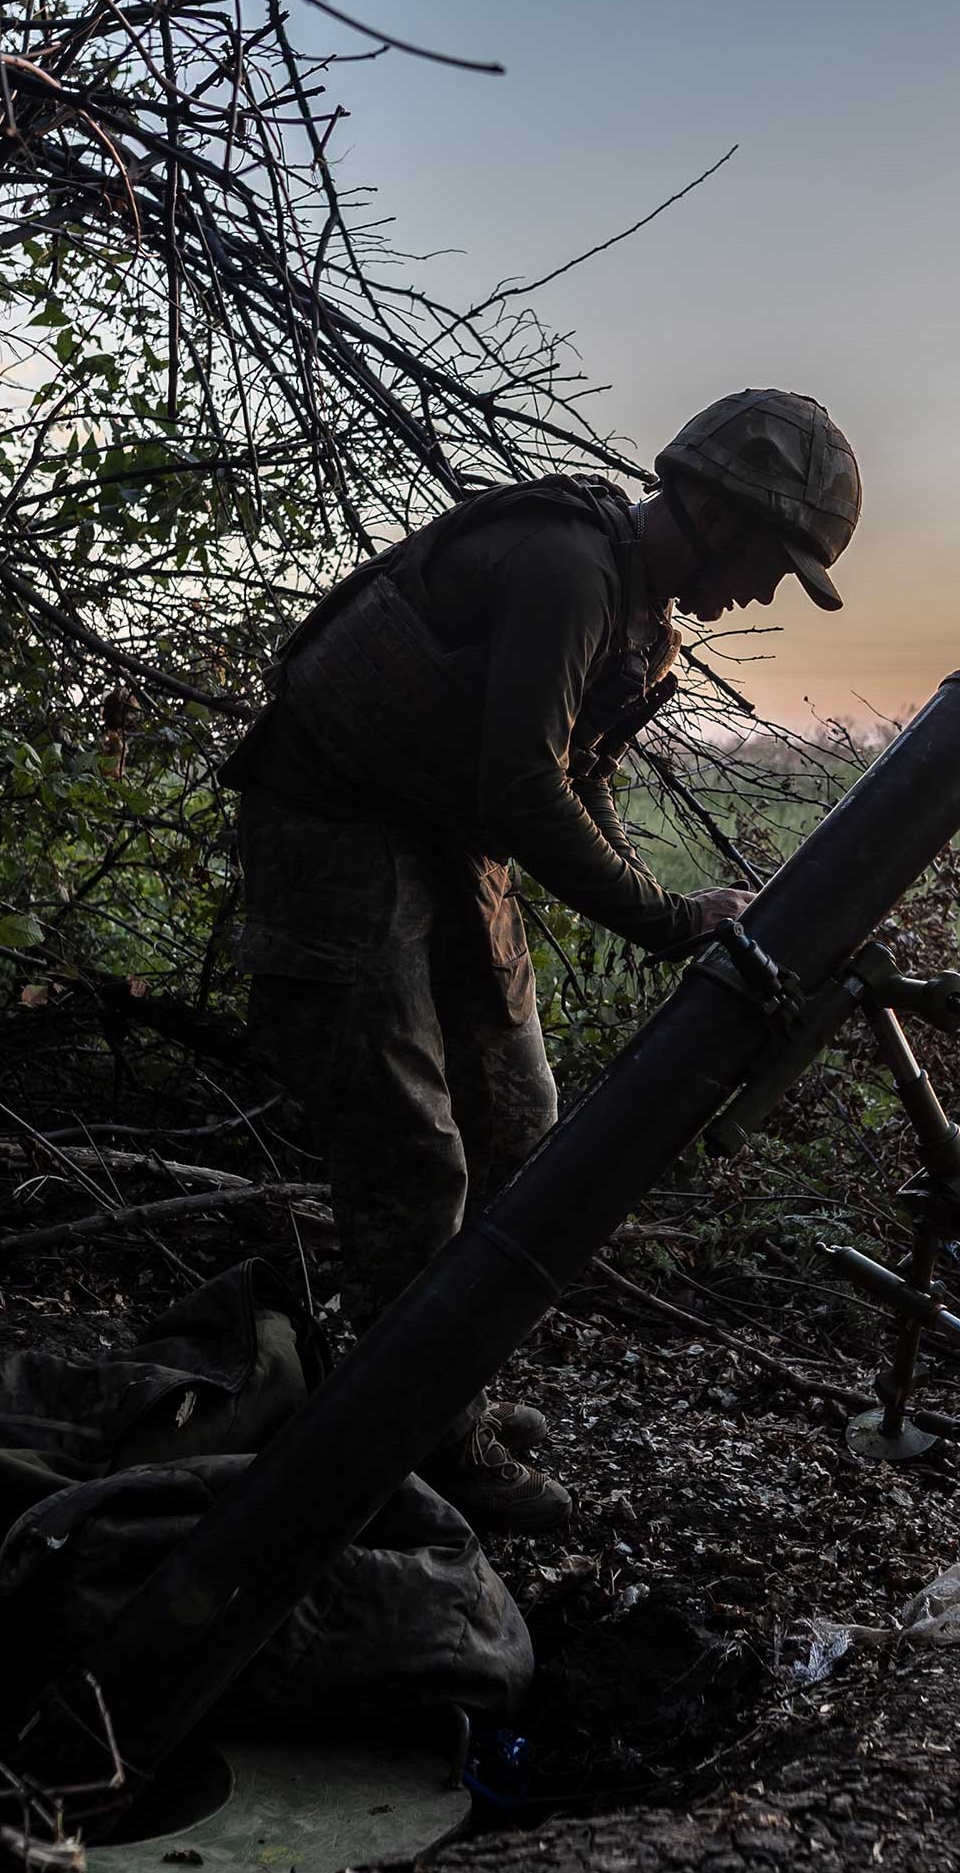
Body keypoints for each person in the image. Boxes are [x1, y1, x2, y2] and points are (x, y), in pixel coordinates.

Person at [218, 390, 860, 1534]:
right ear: (713, 508)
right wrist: (669, 917)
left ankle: (434, 1381)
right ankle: (412, 1437)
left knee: (520, 1125)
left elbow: (579, 773)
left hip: (444, 837)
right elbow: (523, 787)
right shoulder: (566, 567)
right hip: (337, 823)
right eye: (772, 556)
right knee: (409, 1152)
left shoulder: (639, 616)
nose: (766, 590)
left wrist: (684, 905)